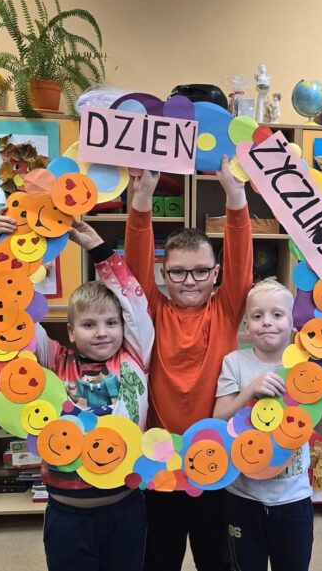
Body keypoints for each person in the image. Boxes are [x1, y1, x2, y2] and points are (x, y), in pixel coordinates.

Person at [0, 210, 153, 571]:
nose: (102, 332)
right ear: (71, 332)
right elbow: (11, 323)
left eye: (111, 323)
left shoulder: (134, 357)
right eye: (89, 324)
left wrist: (97, 247)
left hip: (124, 508)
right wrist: (4, 257)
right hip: (66, 515)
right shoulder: (52, 359)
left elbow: (134, 303)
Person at [124, 158, 252, 571]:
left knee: (216, 557)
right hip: (160, 459)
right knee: (159, 557)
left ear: (216, 273)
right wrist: (142, 200)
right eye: (178, 273)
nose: (190, 280)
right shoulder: (150, 309)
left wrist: (236, 197)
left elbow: (241, 259)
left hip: (216, 457)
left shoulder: (227, 310)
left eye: (200, 271)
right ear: (163, 274)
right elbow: (135, 262)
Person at [214, 279, 322, 571]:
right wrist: (249, 391)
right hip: (243, 496)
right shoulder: (234, 362)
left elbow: (321, 427)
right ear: (247, 326)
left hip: (293, 499)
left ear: (292, 325)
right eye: (257, 316)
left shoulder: (307, 369)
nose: (267, 322)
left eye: (277, 314)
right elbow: (218, 419)